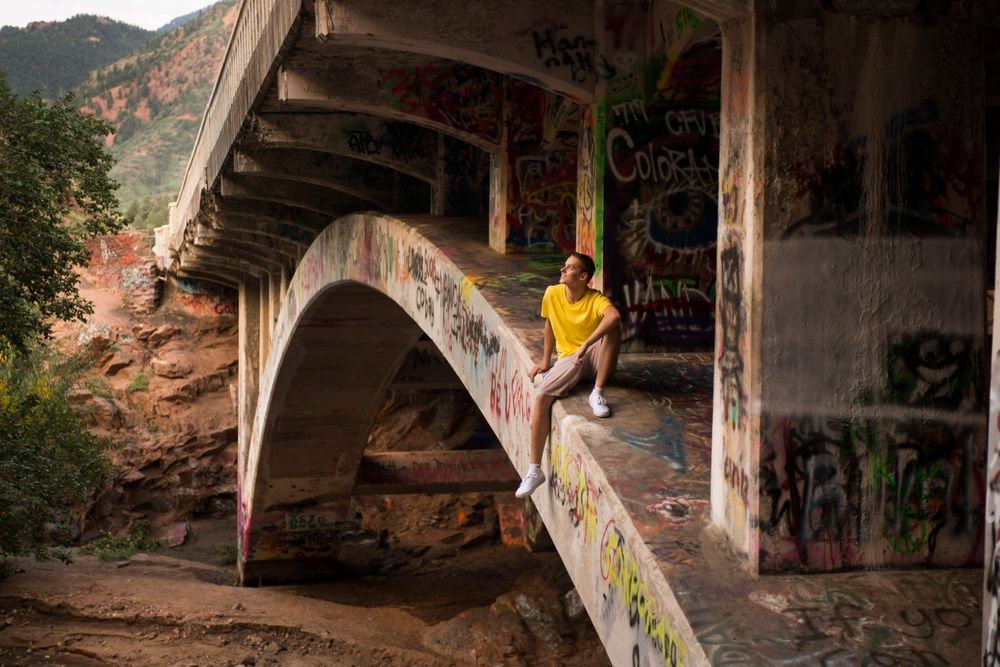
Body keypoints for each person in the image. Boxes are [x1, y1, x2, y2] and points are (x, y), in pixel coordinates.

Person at [515, 252, 621, 498]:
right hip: (568, 360)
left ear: (583, 277)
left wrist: (585, 345)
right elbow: (549, 325)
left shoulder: (595, 299)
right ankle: (534, 471)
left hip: (594, 359)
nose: (563, 270)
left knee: (614, 328)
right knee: (542, 397)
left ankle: (598, 392)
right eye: (564, 266)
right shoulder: (552, 293)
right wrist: (545, 361)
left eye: (570, 268)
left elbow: (613, 316)